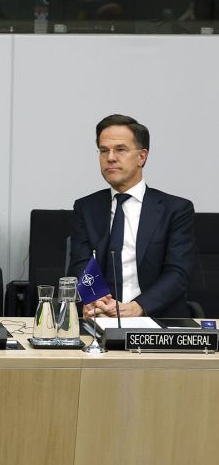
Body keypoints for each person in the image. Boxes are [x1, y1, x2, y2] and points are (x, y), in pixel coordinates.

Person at [69, 114, 195, 319]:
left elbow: (178, 273)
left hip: (156, 318)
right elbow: (80, 263)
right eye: (103, 151)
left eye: (120, 149)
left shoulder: (175, 209)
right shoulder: (86, 207)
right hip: (100, 317)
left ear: (142, 157)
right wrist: (96, 301)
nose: (110, 157)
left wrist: (138, 307)